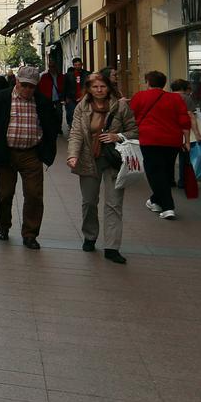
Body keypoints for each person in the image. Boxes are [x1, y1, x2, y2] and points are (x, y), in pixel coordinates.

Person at [0, 65, 60, 249]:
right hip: (6, 153)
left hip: (32, 154)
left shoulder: (41, 101)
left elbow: (51, 126)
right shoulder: (2, 98)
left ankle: (30, 234)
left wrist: (47, 152)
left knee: (34, 195)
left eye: (32, 86)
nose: (27, 90)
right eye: (24, 85)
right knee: (4, 194)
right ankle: (3, 226)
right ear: (17, 82)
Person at [67, 73, 137, 264]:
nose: (99, 90)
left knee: (114, 204)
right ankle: (90, 236)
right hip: (88, 159)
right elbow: (76, 133)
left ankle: (112, 247)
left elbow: (135, 131)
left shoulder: (120, 106)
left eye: (103, 86)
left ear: (108, 87)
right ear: (89, 89)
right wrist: (73, 155)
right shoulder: (82, 107)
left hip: (114, 160)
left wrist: (118, 136)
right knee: (89, 202)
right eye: (95, 87)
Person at [129, 70, 191, 219]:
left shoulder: (140, 96)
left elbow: (132, 116)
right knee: (166, 171)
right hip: (173, 141)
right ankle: (155, 201)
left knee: (155, 172)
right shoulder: (175, 99)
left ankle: (168, 207)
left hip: (149, 139)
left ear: (148, 82)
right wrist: (187, 141)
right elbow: (184, 121)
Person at [63, 57, 90, 128]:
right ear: (73, 65)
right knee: (72, 113)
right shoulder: (68, 75)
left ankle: (82, 127)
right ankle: (72, 127)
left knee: (83, 113)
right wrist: (65, 98)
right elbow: (65, 87)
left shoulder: (87, 74)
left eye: (79, 65)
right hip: (72, 98)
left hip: (83, 97)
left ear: (82, 64)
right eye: (76, 65)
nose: (77, 66)